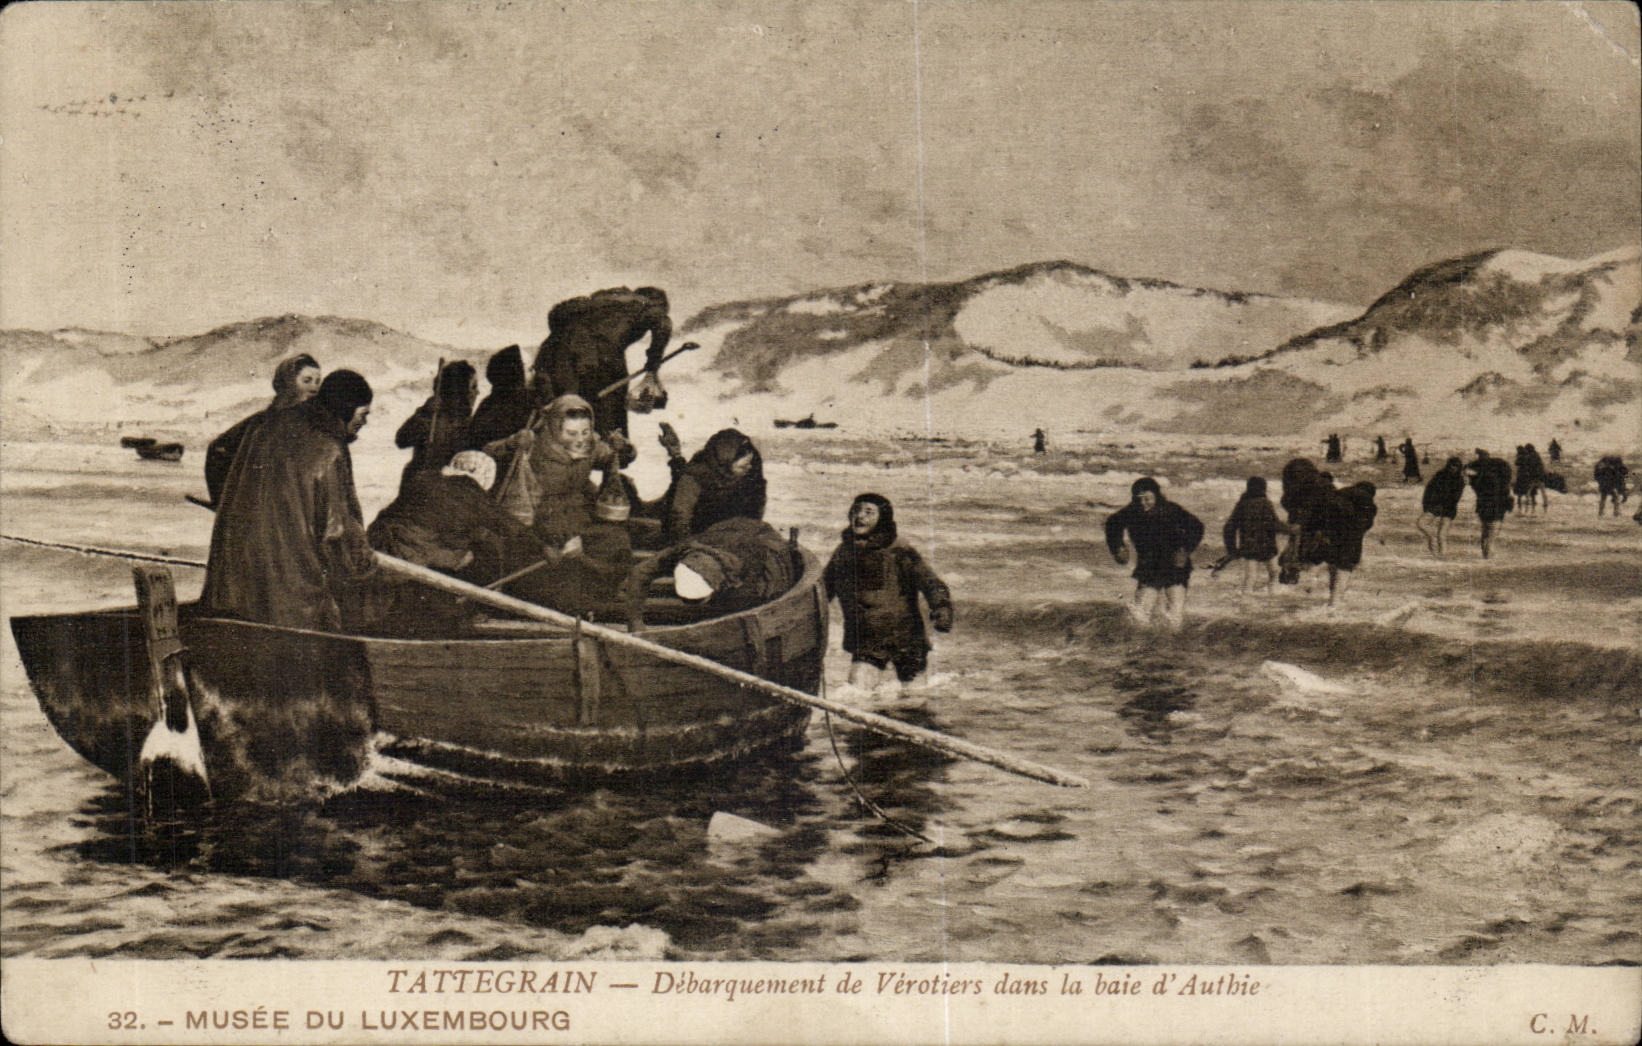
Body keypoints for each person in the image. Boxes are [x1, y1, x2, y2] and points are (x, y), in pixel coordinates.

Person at [200, 370, 376, 631]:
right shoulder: (329, 449)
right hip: (293, 603)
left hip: (231, 591)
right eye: (363, 415)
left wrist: (228, 506)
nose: (365, 423)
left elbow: (219, 453)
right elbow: (335, 532)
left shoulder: (265, 426)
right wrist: (364, 565)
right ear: (346, 410)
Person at [825, 493, 953, 692]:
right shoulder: (843, 553)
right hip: (867, 638)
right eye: (856, 510)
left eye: (869, 512)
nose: (860, 517)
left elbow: (930, 583)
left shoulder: (899, 550)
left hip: (906, 638)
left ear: (883, 517)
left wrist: (942, 609)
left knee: (914, 697)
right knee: (856, 695)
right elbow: (824, 588)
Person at [533, 286, 672, 438]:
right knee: (608, 414)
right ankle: (611, 451)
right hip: (595, 357)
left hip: (551, 353)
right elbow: (663, 323)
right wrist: (654, 361)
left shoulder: (597, 304)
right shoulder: (643, 304)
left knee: (561, 409)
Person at [621, 516, 798, 629]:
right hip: (722, 529)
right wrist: (635, 621)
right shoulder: (681, 551)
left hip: (761, 539)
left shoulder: (746, 575)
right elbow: (639, 572)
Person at [202, 353, 321, 506]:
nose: (314, 388)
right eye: (307, 381)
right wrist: (223, 501)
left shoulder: (314, 424)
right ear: (289, 383)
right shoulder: (262, 422)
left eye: (318, 382)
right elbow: (217, 450)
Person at [1104, 477, 1204, 628]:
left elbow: (1197, 527)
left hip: (1175, 565)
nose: (1143, 503)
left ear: (1156, 496)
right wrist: (1118, 547)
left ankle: (1172, 644)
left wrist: (1184, 550)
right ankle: (1143, 643)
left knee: (1175, 613)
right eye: (1139, 499)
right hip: (1149, 565)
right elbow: (1112, 524)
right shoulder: (1131, 512)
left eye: (1148, 499)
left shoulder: (1171, 510)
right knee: (1139, 613)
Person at [1278, 457, 1378, 606]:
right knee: (1342, 562)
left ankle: (1333, 600)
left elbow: (1299, 523)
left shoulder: (1306, 492)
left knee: (1335, 559)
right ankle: (1335, 600)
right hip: (1347, 524)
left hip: (1339, 522)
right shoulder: (1325, 488)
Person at [660, 428, 767, 545]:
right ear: (725, 462)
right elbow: (680, 517)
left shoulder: (745, 479)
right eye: (742, 467)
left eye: (749, 464)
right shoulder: (696, 477)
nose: (749, 468)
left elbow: (754, 515)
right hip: (696, 540)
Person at [395, 360, 478, 484]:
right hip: (425, 487)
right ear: (461, 391)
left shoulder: (470, 423)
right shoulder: (431, 416)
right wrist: (424, 413)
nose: (477, 392)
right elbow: (402, 440)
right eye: (473, 387)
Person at [1221, 477, 1285, 594]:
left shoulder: (1241, 504)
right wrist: (1290, 529)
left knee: (1250, 577)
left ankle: (1246, 602)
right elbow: (1275, 524)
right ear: (1264, 489)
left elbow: (1229, 528)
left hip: (1249, 547)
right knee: (1274, 572)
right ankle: (1273, 595)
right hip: (1267, 546)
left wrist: (1232, 549)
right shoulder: (1266, 503)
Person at [466, 345, 535, 450]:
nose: (534, 374)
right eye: (530, 369)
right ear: (516, 374)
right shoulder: (493, 409)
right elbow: (478, 448)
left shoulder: (488, 403)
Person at [1465, 449, 1513, 557]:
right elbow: (1506, 486)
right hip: (1497, 504)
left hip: (1484, 504)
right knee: (1492, 530)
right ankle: (1488, 554)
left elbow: (1467, 470)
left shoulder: (1478, 474)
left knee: (1486, 529)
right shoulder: (1499, 466)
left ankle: (1485, 554)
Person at [1415, 457, 1466, 556]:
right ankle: (1432, 543)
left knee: (1442, 534)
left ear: (1459, 468)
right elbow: (1428, 491)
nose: (1453, 468)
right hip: (1435, 506)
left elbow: (1455, 498)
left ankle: (1442, 556)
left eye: (1455, 467)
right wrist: (1427, 505)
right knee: (1421, 523)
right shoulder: (1440, 475)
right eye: (1451, 466)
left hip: (1449, 508)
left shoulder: (1459, 480)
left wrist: (1444, 502)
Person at [1513, 444, 1548, 514]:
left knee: (1528, 492)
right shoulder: (1537, 456)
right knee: (1541, 491)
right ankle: (1544, 505)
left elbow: (1520, 464)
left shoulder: (1529, 457)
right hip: (1539, 477)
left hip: (1532, 477)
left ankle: (1527, 506)